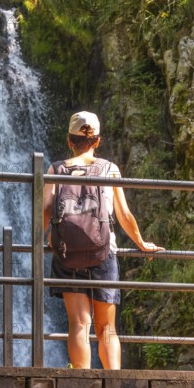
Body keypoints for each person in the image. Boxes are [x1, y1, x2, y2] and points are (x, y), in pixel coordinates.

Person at [43, 111, 164, 370]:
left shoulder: (56, 168)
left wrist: (42, 239)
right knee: (106, 326)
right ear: (97, 141)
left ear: (69, 140)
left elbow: (45, 209)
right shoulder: (109, 169)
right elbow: (123, 213)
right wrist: (141, 242)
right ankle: (113, 382)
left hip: (67, 252)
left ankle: (80, 382)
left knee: (79, 324)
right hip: (103, 250)